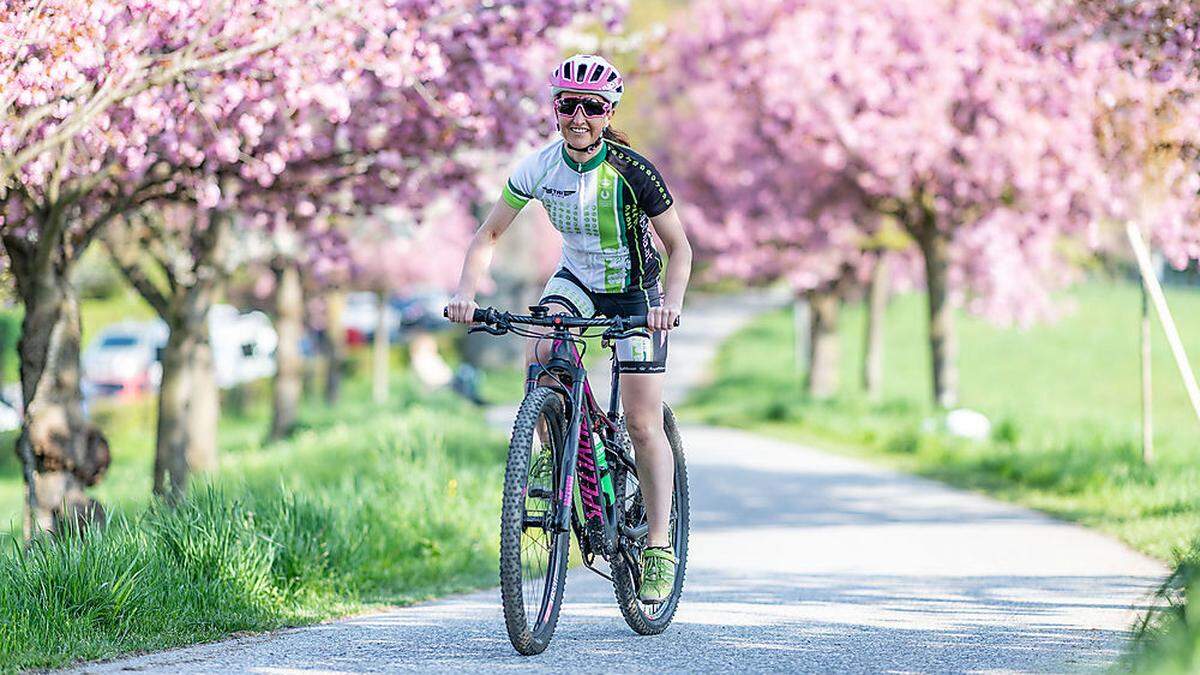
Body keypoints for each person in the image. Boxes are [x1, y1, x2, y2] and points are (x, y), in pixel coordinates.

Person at [446, 54, 693, 604]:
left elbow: (679, 247)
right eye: (568, 105)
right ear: (555, 109)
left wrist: (668, 304)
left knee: (643, 420)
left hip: (635, 293)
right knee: (541, 352)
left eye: (592, 107)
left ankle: (657, 545)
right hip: (576, 280)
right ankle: (555, 444)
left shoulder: (632, 171)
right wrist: (466, 293)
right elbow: (488, 236)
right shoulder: (538, 168)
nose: (579, 117)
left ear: (608, 114)